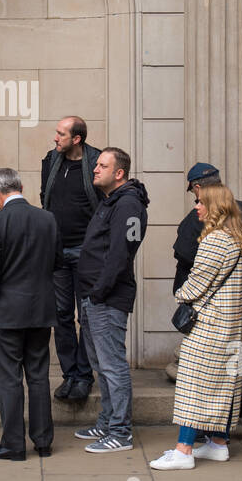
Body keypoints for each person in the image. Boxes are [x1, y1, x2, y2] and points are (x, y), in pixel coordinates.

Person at [152, 181, 242, 470]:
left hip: (208, 326)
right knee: (222, 385)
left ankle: (183, 450)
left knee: (193, 385)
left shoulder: (215, 240)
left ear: (216, 207)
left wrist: (180, 295)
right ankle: (218, 443)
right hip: (232, 325)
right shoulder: (241, 238)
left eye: (202, 202)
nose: (196, 206)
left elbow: (196, 283)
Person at [172, 162, 242, 441]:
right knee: (241, 368)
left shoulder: (201, 222)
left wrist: (184, 293)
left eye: (195, 194)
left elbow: (185, 260)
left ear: (198, 187)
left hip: (211, 311)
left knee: (205, 377)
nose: (196, 203)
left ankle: (205, 435)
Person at [0, 168, 62, 461]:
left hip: (6, 312)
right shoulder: (48, 219)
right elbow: (58, 261)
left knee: (9, 379)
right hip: (41, 309)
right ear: (21, 187)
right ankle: (43, 442)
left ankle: (13, 444)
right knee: (38, 376)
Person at [74, 147, 149, 453]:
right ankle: (107, 422)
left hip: (106, 299)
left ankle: (120, 432)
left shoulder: (128, 205)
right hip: (95, 298)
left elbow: (121, 254)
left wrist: (98, 292)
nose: (95, 169)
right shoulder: (112, 202)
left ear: (119, 173)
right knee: (101, 365)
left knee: (112, 365)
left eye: (102, 165)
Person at [40, 116, 100, 402]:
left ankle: (84, 377)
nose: (55, 138)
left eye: (61, 134)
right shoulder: (51, 161)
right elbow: (45, 197)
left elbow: (106, 206)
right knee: (61, 316)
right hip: (57, 252)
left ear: (77, 139)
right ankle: (70, 374)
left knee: (86, 316)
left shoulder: (97, 163)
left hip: (86, 253)